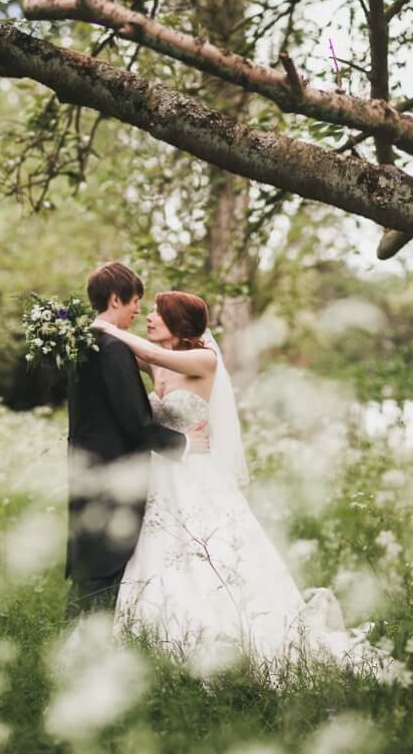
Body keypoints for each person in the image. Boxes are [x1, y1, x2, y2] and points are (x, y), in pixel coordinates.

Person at [93, 291, 392, 680]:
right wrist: (88, 333)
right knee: (162, 549)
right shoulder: (159, 366)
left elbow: (137, 347)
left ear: (178, 323)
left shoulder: (203, 359)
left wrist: (104, 325)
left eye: (157, 313)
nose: (148, 317)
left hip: (197, 475)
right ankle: (154, 635)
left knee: (211, 550)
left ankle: (224, 636)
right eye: (147, 311)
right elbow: (118, 354)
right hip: (165, 472)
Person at [64, 262, 210, 619]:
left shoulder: (92, 343)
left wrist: (101, 327)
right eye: (137, 303)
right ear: (116, 299)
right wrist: (184, 444)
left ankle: (96, 626)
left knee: (112, 555)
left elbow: (154, 357)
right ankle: (91, 628)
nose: (141, 313)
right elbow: (136, 422)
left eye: (156, 311)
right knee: (108, 557)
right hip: (121, 466)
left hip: (109, 466)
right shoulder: (111, 347)